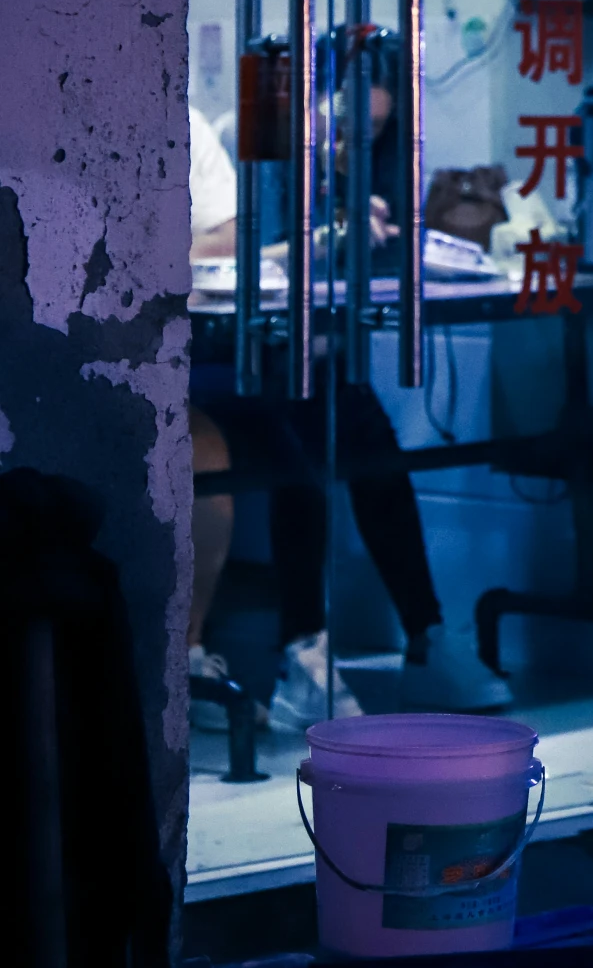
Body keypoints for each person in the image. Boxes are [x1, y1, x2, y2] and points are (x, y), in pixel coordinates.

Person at [188, 96, 511, 728]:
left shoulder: (199, 129)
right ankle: (301, 647)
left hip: (273, 347)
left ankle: (424, 635)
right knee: (300, 445)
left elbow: (227, 239)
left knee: (365, 429)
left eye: (373, 133)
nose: (350, 143)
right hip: (205, 353)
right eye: (344, 128)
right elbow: (232, 254)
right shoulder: (260, 142)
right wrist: (319, 241)